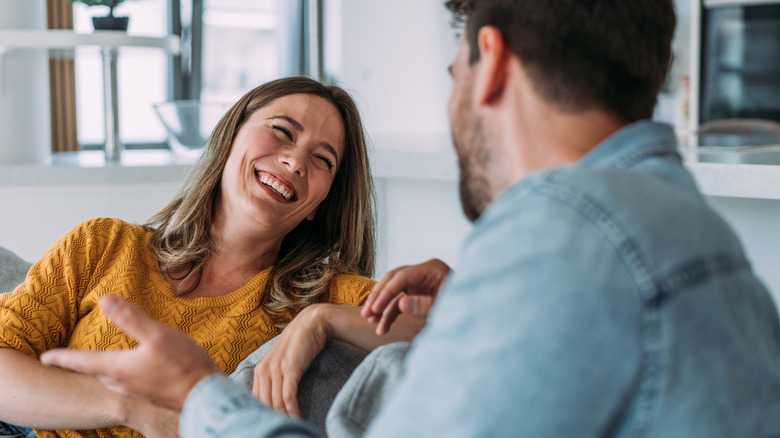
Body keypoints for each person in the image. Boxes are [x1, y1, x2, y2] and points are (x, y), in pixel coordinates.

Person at [41, 0, 780, 436]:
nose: (296, 163)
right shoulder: (690, 235)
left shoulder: (564, 239)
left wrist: (198, 395)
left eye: (451, 72)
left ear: (488, 62)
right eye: (280, 133)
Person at [0, 76, 422, 438]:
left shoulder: (324, 296)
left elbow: (451, 332)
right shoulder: (104, 243)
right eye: (282, 131)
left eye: (322, 160)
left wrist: (321, 319)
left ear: (318, 204)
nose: (295, 161)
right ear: (231, 137)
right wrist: (129, 407)